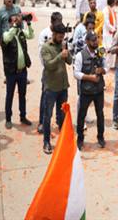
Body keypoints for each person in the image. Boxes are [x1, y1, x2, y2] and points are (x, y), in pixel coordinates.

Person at [40, 23, 72, 154]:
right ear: (54, 34)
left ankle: (63, 140)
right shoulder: (46, 47)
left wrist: (66, 51)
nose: (61, 38)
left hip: (63, 87)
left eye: (63, 36)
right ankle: (46, 142)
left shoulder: (62, 45)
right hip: (51, 88)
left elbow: (69, 61)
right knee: (48, 116)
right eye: (59, 36)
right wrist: (60, 56)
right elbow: (49, 65)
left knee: (62, 115)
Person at [1, 12, 34, 128]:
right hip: (11, 72)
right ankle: (8, 118)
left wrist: (28, 23)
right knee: (9, 95)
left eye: (18, 19)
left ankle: (23, 116)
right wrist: (15, 26)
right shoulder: (6, 34)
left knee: (22, 95)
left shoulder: (21, 33)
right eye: (14, 20)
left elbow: (30, 35)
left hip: (22, 71)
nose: (18, 21)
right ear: (10, 23)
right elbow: (7, 38)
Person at [74, 31, 107, 151]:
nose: (96, 42)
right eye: (93, 40)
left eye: (96, 39)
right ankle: (80, 139)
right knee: (81, 115)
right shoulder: (80, 55)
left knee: (100, 114)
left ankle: (101, 137)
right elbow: (76, 73)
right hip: (86, 91)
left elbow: (106, 67)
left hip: (98, 90)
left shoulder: (100, 53)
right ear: (87, 42)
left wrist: (101, 70)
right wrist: (90, 77)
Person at [37, 12, 63, 134]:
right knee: (46, 100)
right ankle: (42, 122)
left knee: (60, 103)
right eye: (58, 22)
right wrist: (49, 66)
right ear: (52, 22)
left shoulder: (62, 35)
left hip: (60, 74)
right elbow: (41, 54)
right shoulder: (44, 34)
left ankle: (59, 121)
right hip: (48, 72)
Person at [103, 0, 118, 68]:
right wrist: (113, 29)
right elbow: (107, 23)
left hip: (112, 32)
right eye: (114, 2)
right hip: (107, 33)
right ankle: (106, 65)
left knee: (112, 48)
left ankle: (111, 65)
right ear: (112, 2)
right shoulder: (106, 10)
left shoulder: (112, 9)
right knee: (108, 48)